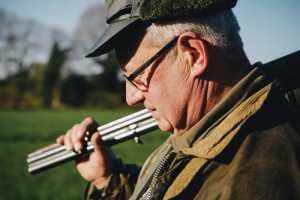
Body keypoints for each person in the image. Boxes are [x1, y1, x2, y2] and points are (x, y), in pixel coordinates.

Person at [56, 0, 300, 199]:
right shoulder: (200, 131)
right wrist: (109, 179)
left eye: (136, 77)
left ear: (193, 55)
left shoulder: (256, 180)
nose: (131, 97)